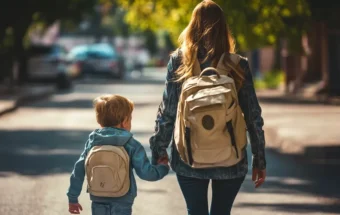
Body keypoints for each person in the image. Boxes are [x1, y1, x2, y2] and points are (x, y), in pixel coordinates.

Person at [149, 1, 267, 215]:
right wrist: (260, 158)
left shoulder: (179, 61)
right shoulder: (237, 64)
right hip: (231, 158)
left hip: (189, 158)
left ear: (192, 26)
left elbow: (168, 111)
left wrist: (159, 150)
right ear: (224, 28)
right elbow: (253, 116)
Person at [67, 94, 169, 215]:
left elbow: (78, 170)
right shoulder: (131, 144)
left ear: (99, 121)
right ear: (125, 121)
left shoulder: (93, 142)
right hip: (123, 198)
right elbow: (146, 173)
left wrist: (73, 197)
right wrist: (162, 168)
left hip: (98, 196)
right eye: (130, 119)